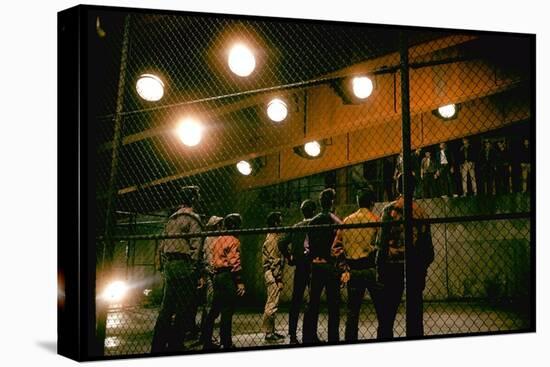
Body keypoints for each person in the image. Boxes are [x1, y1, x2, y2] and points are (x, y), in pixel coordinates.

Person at [376, 180, 434, 339]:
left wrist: (380, 268)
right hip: (414, 266)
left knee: (387, 314)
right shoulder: (421, 212)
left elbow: (382, 244)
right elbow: (427, 249)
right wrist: (422, 266)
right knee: (415, 313)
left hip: (392, 266)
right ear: (414, 188)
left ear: (397, 187)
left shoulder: (389, 210)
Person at [151, 186, 204, 354]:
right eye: (197, 196)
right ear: (194, 198)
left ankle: (157, 344)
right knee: (183, 308)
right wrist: (197, 270)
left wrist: (162, 264)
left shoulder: (172, 218)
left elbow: (163, 244)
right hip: (185, 264)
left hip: (170, 265)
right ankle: (175, 344)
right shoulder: (192, 218)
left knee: (166, 308)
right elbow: (197, 246)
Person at [332, 188, 383, 341]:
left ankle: (350, 341)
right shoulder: (375, 220)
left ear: (358, 202)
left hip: (353, 268)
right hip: (370, 267)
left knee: (352, 311)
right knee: (381, 308)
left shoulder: (347, 220)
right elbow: (381, 244)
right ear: (372, 203)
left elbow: (336, 248)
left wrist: (344, 265)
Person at [303, 188, 342, 344]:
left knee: (312, 303)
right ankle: (333, 338)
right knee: (334, 304)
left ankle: (309, 337)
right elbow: (339, 243)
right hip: (329, 265)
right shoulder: (336, 221)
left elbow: (308, 246)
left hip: (315, 265)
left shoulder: (313, 221)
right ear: (331, 202)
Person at [202, 214, 246, 350]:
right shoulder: (234, 240)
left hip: (217, 276)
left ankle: (206, 340)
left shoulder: (219, 239)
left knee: (214, 309)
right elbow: (234, 262)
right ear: (235, 226)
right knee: (227, 310)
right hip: (228, 276)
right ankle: (226, 343)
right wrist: (239, 281)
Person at [278, 199, 317, 344]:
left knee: (296, 300)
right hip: (313, 265)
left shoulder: (296, 227)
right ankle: (310, 333)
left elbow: (281, 242)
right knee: (312, 299)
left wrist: (289, 256)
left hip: (300, 266)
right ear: (313, 211)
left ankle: (292, 334)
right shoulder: (316, 224)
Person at [197, 215, 224, 345]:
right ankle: (206, 335)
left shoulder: (209, 238)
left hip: (210, 271)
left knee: (210, 305)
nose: (222, 226)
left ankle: (205, 334)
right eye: (220, 224)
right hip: (213, 272)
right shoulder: (215, 239)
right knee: (211, 305)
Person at [262, 212, 285, 342]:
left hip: (271, 272)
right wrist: (279, 278)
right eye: (280, 221)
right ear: (276, 223)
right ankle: (268, 333)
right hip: (272, 273)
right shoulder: (273, 239)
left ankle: (271, 331)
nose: (282, 223)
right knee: (272, 303)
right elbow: (275, 261)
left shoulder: (273, 237)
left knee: (272, 302)